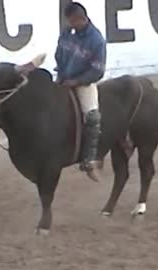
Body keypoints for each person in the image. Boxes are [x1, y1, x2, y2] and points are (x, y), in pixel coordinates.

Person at [54, 2, 107, 182]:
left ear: (82, 19)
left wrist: (76, 81)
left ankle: (89, 160)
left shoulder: (97, 40)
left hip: (83, 83)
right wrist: (61, 75)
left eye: (73, 21)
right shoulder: (67, 32)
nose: (70, 24)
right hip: (63, 78)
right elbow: (59, 54)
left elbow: (97, 70)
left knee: (92, 117)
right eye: (68, 21)